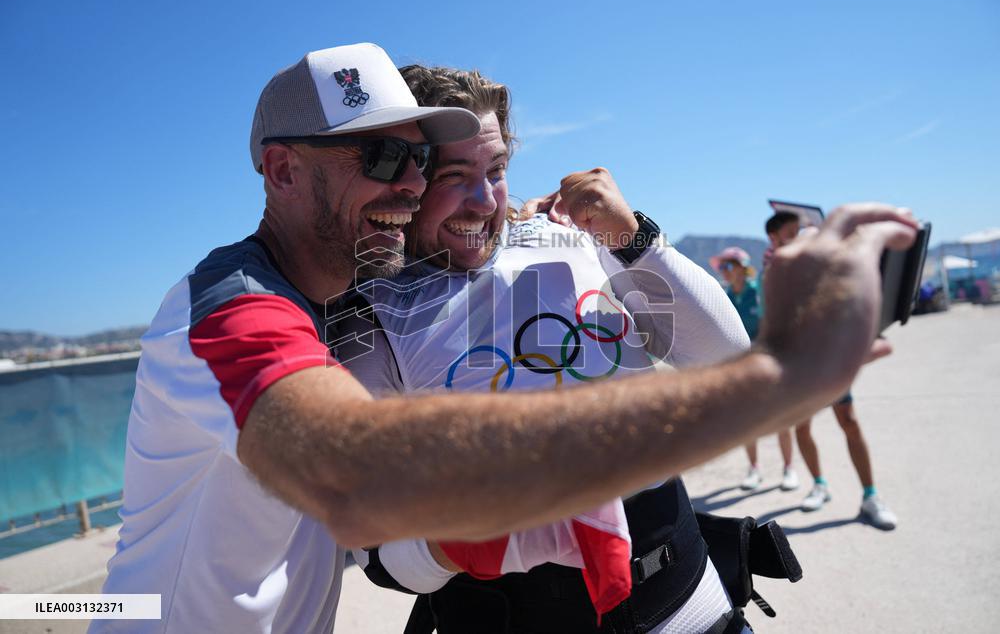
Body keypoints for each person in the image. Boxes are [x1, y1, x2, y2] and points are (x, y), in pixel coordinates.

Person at [92, 42, 916, 633]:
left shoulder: (557, 242)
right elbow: (361, 495)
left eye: (427, 163)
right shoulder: (260, 310)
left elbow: (709, 348)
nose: (417, 186)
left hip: (684, 597)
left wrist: (635, 241)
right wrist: (769, 382)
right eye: (390, 161)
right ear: (281, 171)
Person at [335, 64, 753, 633]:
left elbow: (727, 361)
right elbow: (379, 555)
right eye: (454, 175)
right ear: (403, 183)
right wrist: (468, 542)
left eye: (496, 170)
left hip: (697, 604)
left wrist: (635, 239)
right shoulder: (368, 318)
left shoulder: (569, 235)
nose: (483, 201)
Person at [764, 212, 899, 530]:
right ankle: (820, 485)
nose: (798, 234)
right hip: (799, 365)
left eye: (799, 229)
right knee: (802, 428)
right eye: (791, 231)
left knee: (849, 422)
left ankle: (871, 495)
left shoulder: (815, 261)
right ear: (774, 237)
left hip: (828, 359)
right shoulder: (773, 268)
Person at [711, 246, 798, 493]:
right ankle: (754, 469)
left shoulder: (758, 292)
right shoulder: (725, 296)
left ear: (743, 267)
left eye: (728, 265)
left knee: (781, 419)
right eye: (721, 267)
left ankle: (789, 468)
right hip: (742, 369)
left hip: (768, 364)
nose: (724, 271)